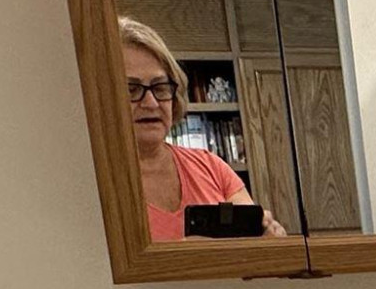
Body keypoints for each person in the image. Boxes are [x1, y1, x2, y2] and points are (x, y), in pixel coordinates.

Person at [121, 17, 282, 241]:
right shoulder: (93, 182)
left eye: (160, 87)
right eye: (131, 89)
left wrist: (270, 238)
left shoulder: (211, 166)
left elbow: (254, 254)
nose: (151, 103)